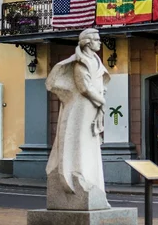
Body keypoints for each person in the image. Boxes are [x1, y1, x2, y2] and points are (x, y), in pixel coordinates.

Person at [46, 28, 110, 208]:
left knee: (91, 143)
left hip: (93, 107)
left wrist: (101, 98)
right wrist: (101, 101)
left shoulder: (95, 61)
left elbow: (98, 84)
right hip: (81, 109)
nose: (100, 42)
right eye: (97, 39)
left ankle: (91, 179)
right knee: (79, 141)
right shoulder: (79, 64)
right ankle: (78, 173)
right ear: (88, 42)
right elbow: (84, 88)